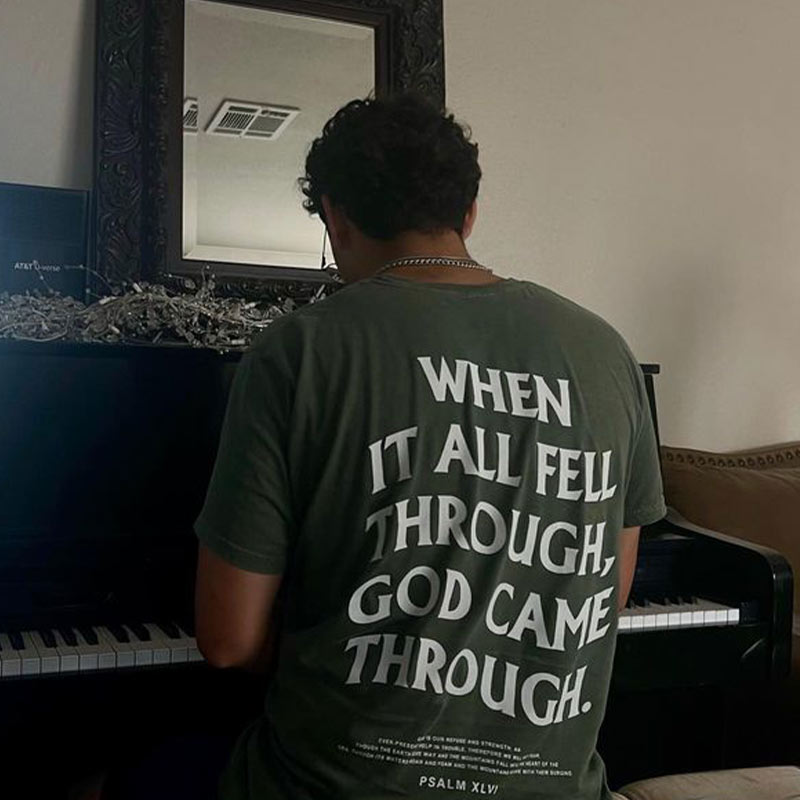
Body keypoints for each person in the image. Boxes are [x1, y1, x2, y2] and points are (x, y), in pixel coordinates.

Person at [191, 91, 667, 800]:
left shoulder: (301, 350)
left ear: (335, 217)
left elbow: (228, 640)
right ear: (468, 214)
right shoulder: (606, 353)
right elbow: (608, 595)